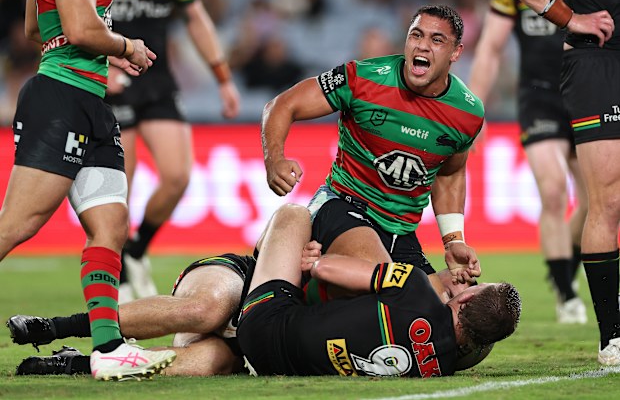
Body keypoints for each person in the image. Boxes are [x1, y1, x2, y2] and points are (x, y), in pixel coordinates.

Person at [8, 205, 510, 377]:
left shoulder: (404, 287)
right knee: (205, 309)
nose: (453, 285)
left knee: (207, 364)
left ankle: (77, 361)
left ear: (460, 300)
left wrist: (316, 264)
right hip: (243, 276)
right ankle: (53, 327)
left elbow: (344, 270)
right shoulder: (434, 343)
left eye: (460, 287)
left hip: (265, 330)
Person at [1, 0, 177, 381]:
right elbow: (80, 28)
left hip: (90, 103)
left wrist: (100, 44)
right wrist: (125, 45)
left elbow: (36, 27)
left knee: (111, 226)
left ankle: (108, 347)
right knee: (15, 225)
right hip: (62, 98)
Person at [262, 5, 483, 292]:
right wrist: (274, 158)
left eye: (436, 40)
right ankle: (309, 287)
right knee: (395, 288)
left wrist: (454, 241)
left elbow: (449, 174)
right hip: (343, 207)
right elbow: (282, 105)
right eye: (416, 35)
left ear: (456, 53)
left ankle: (321, 285)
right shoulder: (362, 79)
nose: (423, 46)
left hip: (400, 232)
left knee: (461, 308)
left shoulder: (467, 112)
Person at [236, 204, 521, 377]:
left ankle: (250, 269)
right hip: (283, 367)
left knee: (293, 214)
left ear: (468, 297)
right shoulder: (440, 368)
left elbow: (325, 270)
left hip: (266, 325)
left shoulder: (415, 285)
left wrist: (316, 259)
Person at [506, 0, 619, 365]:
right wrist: (569, 19)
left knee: (594, 201)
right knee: (600, 200)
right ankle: (610, 334)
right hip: (595, 60)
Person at [107, 0, 241, 302]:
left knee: (178, 176)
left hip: (157, 82)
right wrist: (98, 66)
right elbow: (76, 19)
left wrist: (223, 78)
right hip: (111, 79)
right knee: (120, 182)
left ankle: (136, 251)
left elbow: (195, 17)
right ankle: (120, 278)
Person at [469, 0, 588, 324]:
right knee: (552, 191)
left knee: (596, 204)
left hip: (584, 94)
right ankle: (567, 294)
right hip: (539, 98)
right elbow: (491, 48)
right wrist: (474, 109)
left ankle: (565, 266)